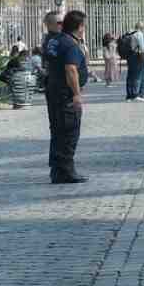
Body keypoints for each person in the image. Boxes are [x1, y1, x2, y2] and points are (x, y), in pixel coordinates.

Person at [45, 9, 90, 186]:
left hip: (54, 91)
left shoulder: (54, 40)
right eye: (83, 25)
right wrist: (77, 94)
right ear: (79, 27)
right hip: (66, 95)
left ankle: (56, 169)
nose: (84, 28)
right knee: (69, 132)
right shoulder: (70, 44)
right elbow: (71, 69)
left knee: (57, 131)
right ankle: (66, 171)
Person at [1, 45, 35, 109]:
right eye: (25, 57)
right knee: (15, 90)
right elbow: (19, 69)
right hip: (11, 77)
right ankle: (17, 104)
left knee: (15, 91)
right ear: (22, 55)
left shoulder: (17, 60)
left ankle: (16, 104)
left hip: (11, 77)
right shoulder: (16, 60)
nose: (26, 59)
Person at [122, 25, 144, 101]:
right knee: (137, 76)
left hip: (130, 56)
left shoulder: (130, 33)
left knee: (130, 76)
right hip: (136, 56)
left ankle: (129, 95)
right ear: (141, 28)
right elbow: (142, 48)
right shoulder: (139, 34)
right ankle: (135, 94)